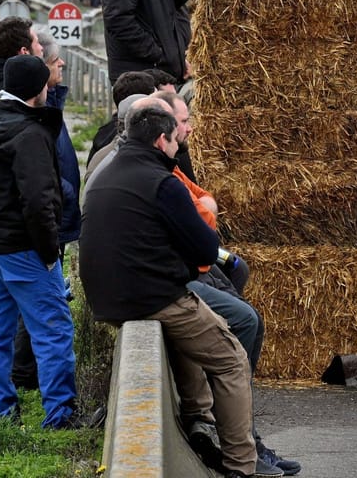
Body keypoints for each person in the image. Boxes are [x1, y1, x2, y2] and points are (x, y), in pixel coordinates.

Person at [82, 106, 278, 477]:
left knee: (188, 341)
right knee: (230, 357)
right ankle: (241, 464)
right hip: (150, 296)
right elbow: (206, 250)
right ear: (161, 140)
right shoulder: (164, 182)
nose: (178, 147)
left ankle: (197, 419)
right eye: (176, 140)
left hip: (105, 299)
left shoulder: (107, 175)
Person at [0, 54, 79, 428]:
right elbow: (39, 200)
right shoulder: (30, 134)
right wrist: (48, 253)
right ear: (36, 90)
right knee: (53, 328)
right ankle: (60, 414)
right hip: (23, 249)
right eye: (47, 84)